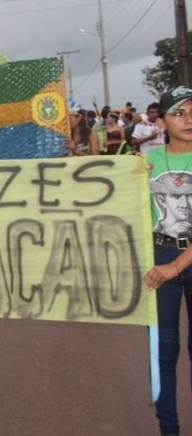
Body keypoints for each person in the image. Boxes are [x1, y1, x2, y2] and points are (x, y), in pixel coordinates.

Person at [143, 86, 192, 436]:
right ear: (162, 122)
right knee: (164, 351)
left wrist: (175, 267)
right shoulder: (146, 163)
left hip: (177, 263)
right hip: (159, 255)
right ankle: (169, 429)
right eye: (179, 112)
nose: (188, 119)